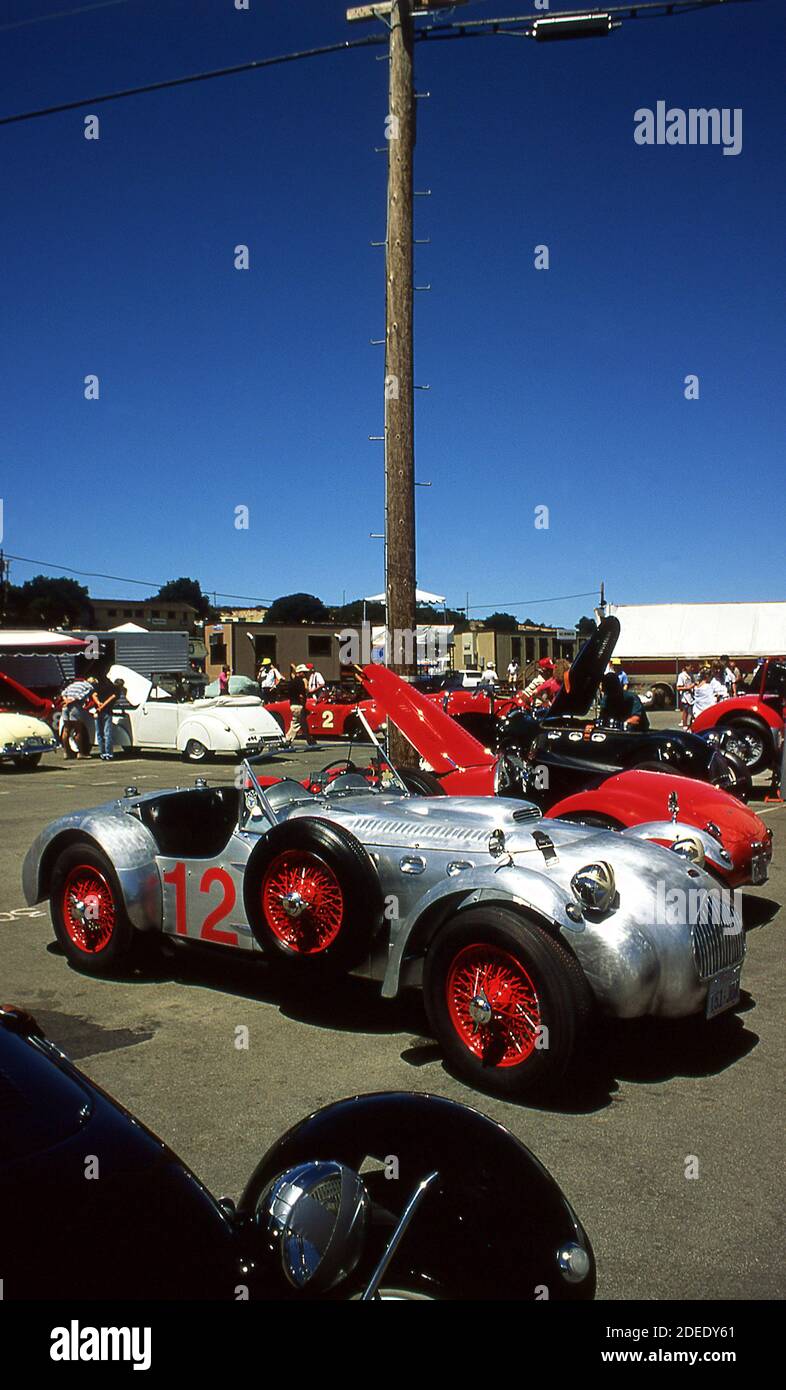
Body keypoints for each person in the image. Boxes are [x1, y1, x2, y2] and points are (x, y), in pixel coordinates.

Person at [59, 676, 95, 759]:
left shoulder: (74, 684)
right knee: (78, 730)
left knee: (66, 730)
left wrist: (66, 700)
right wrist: (71, 700)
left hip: (65, 707)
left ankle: (66, 752)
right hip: (75, 707)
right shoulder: (89, 687)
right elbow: (81, 696)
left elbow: (63, 693)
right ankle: (80, 753)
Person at [283, 664, 318, 748]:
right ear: (300, 673)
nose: (306, 674)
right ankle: (286, 741)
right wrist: (303, 705)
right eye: (304, 672)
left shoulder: (292, 681)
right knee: (296, 724)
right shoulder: (300, 682)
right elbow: (301, 695)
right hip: (298, 705)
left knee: (303, 724)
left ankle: (311, 741)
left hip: (292, 704)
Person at [90, 669, 118, 760]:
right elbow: (112, 697)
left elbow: (94, 695)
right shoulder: (112, 687)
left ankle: (102, 753)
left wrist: (98, 703)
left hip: (98, 712)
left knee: (99, 734)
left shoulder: (97, 686)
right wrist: (103, 705)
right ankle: (109, 753)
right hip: (107, 711)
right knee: (107, 733)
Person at [676, 662, 695, 728]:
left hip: (691, 696)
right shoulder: (681, 675)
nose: (691, 668)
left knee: (692, 711)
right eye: (690, 667)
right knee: (685, 710)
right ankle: (684, 724)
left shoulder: (691, 675)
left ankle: (691, 724)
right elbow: (678, 687)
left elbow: (693, 683)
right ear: (686, 667)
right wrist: (687, 688)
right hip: (685, 696)